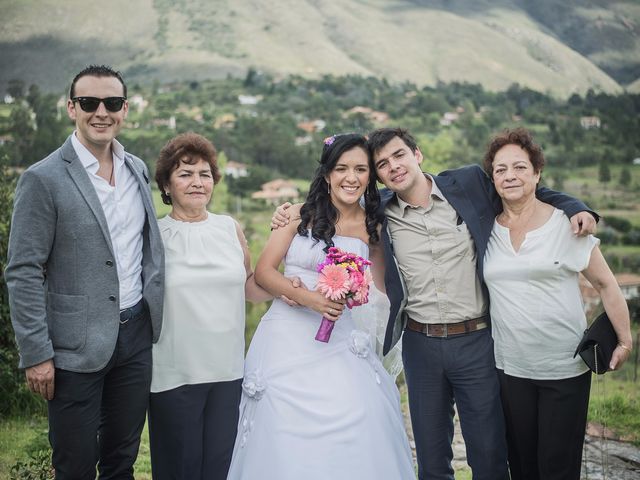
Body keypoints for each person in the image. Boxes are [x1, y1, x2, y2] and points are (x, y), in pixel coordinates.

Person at [272, 127, 598, 480]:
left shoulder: (469, 183)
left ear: (417, 154)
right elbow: (332, 210)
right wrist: (289, 214)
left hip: (476, 341)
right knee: (431, 459)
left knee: (489, 456)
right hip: (420, 345)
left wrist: (575, 206)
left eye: (399, 155)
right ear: (377, 177)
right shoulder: (377, 211)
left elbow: (524, 189)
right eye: (382, 164)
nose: (393, 166)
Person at [5, 65, 163, 479]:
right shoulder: (43, 179)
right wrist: (36, 353)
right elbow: (23, 271)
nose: (101, 112)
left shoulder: (137, 170)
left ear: (124, 109)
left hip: (134, 338)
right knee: (74, 466)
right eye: (89, 103)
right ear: (72, 108)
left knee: (121, 461)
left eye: (111, 103)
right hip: (73, 346)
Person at [227, 133, 415, 479]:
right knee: (281, 430)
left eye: (360, 169)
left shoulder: (374, 226)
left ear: (370, 177)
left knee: (360, 415)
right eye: (342, 168)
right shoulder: (298, 215)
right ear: (327, 173)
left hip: (342, 341)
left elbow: (382, 288)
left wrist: (359, 293)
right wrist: (306, 297)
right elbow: (266, 273)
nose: (351, 177)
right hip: (286, 340)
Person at [482, 128, 632, 480]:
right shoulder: (485, 228)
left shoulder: (567, 225)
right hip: (509, 368)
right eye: (500, 170)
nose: (510, 176)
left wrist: (625, 340)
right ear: (492, 178)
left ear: (537, 174)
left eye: (519, 167)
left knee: (558, 468)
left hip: (563, 369)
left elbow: (607, 284)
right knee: (521, 466)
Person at [148, 132, 272, 479]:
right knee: (180, 469)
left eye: (204, 174)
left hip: (229, 372)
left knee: (222, 468)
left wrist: (290, 285)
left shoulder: (229, 228)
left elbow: (248, 287)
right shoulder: (154, 235)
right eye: (185, 174)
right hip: (174, 374)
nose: (197, 182)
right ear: (167, 185)